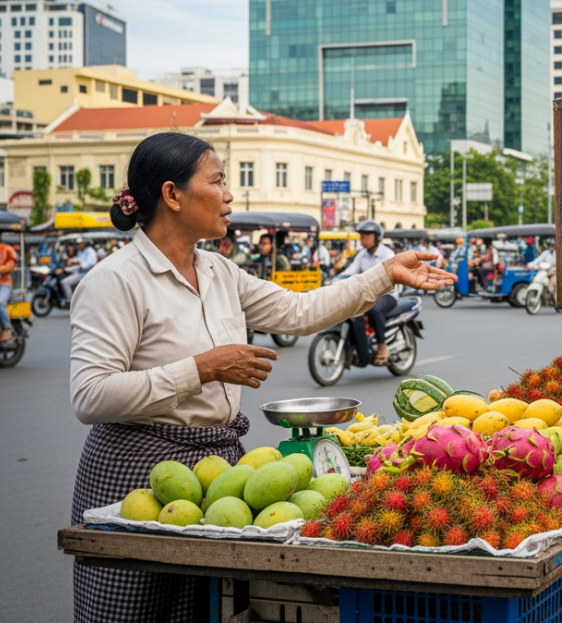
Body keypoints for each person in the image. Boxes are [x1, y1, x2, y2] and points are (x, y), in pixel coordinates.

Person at [67, 132, 454, 622]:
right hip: (136, 475)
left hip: (219, 475)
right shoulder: (114, 281)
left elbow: (298, 311)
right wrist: (203, 368)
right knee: (134, 614)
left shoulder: (219, 271)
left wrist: (385, 275)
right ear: (172, 195)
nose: (229, 195)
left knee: (207, 611)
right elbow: (90, 395)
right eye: (217, 181)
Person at [337, 220, 397, 365]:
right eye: (362, 236)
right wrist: (336, 280)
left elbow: (388, 276)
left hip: (387, 295)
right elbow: (351, 271)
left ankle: (382, 346)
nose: (363, 239)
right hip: (367, 294)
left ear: (377, 237)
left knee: (374, 309)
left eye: (367, 236)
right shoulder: (362, 255)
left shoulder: (387, 254)